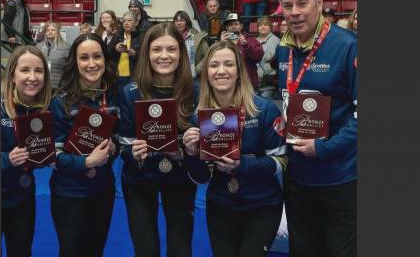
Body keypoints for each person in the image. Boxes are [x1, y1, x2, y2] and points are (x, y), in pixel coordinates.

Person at [274, 0, 357, 256]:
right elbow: (288, 99)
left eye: (302, 3)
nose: (294, 12)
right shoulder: (282, 48)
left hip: (339, 178)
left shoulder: (348, 45)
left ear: (320, 2)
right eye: (287, 5)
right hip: (298, 178)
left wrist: (323, 147)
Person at [182, 40, 287, 257]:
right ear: (206, 74)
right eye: (214, 65)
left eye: (228, 64)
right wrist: (192, 155)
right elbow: (200, 178)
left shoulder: (263, 109)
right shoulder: (199, 117)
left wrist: (243, 164)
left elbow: (282, 162)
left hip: (262, 205)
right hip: (221, 204)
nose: (221, 71)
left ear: (239, 71)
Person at [118, 22, 199, 257]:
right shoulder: (129, 92)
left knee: (180, 249)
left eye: (172, 49)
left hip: (181, 178)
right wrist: (133, 152)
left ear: (181, 53)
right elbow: (124, 144)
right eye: (157, 49)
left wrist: (185, 150)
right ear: (147, 53)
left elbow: (201, 143)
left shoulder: (195, 91)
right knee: (146, 250)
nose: (164, 56)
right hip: (139, 179)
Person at [49, 33, 120, 257]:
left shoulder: (113, 96)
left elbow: (119, 139)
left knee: (95, 251)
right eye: (84, 58)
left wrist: (113, 148)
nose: (91, 64)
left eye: (97, 56)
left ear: (105, 59)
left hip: (103, 190)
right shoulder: (60, 101)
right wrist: (86, 162)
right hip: (70, 193)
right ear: (75, 62)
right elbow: (52, 155)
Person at [1, 45, 52, 257]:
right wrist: (6, 159)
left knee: (21, 252)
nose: (32, 77)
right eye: (25, 70)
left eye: (38, 71)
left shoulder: (43, 110)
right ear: (12, 74)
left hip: (22, 197)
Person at [220, 12, 263, 92]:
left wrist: (246, 46)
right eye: (230, 25)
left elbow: (259, 56)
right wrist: (221, 44)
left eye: (236, 24)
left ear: (241, 26)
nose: (233, 27)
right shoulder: (221, 42)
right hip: (228, 85)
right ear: (226, 27)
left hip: (248, 85)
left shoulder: (250, 40)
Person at [108, 11, 141, 88]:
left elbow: (146, 55)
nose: (126, 23)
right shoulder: (117, 35)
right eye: (124, 21)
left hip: (134, 75)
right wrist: (115, 49)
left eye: (129, 20)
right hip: (117, 74)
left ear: (136, 23)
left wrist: (135, 54)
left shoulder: (141, 36)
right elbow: (108, 52)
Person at [173, 10, 209, 80]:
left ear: (187, 22)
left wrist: (196, 70)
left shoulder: (198, 37)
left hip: (193, 78)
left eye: (182, 20)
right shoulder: (169, 37)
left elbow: (208, 55)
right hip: (175, 78)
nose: (179, 23)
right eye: (177, 21)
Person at [36, 21, 70, 90]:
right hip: (41, 86)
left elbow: (69, 67)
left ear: (57, 31)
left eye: (53, 30)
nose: (50, 32)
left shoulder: (65, 47)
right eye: (48, 30)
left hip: (58, 87)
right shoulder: (38, 46)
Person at [256, 16, 281, 100]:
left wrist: (260, 73)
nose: (263, 27)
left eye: (266, 25)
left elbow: (270, 60)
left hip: (268, 82)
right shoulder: (254, 41)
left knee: (264, 104)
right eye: (260, 25)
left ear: (270, 28)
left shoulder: (276, 41)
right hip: (254, 82)